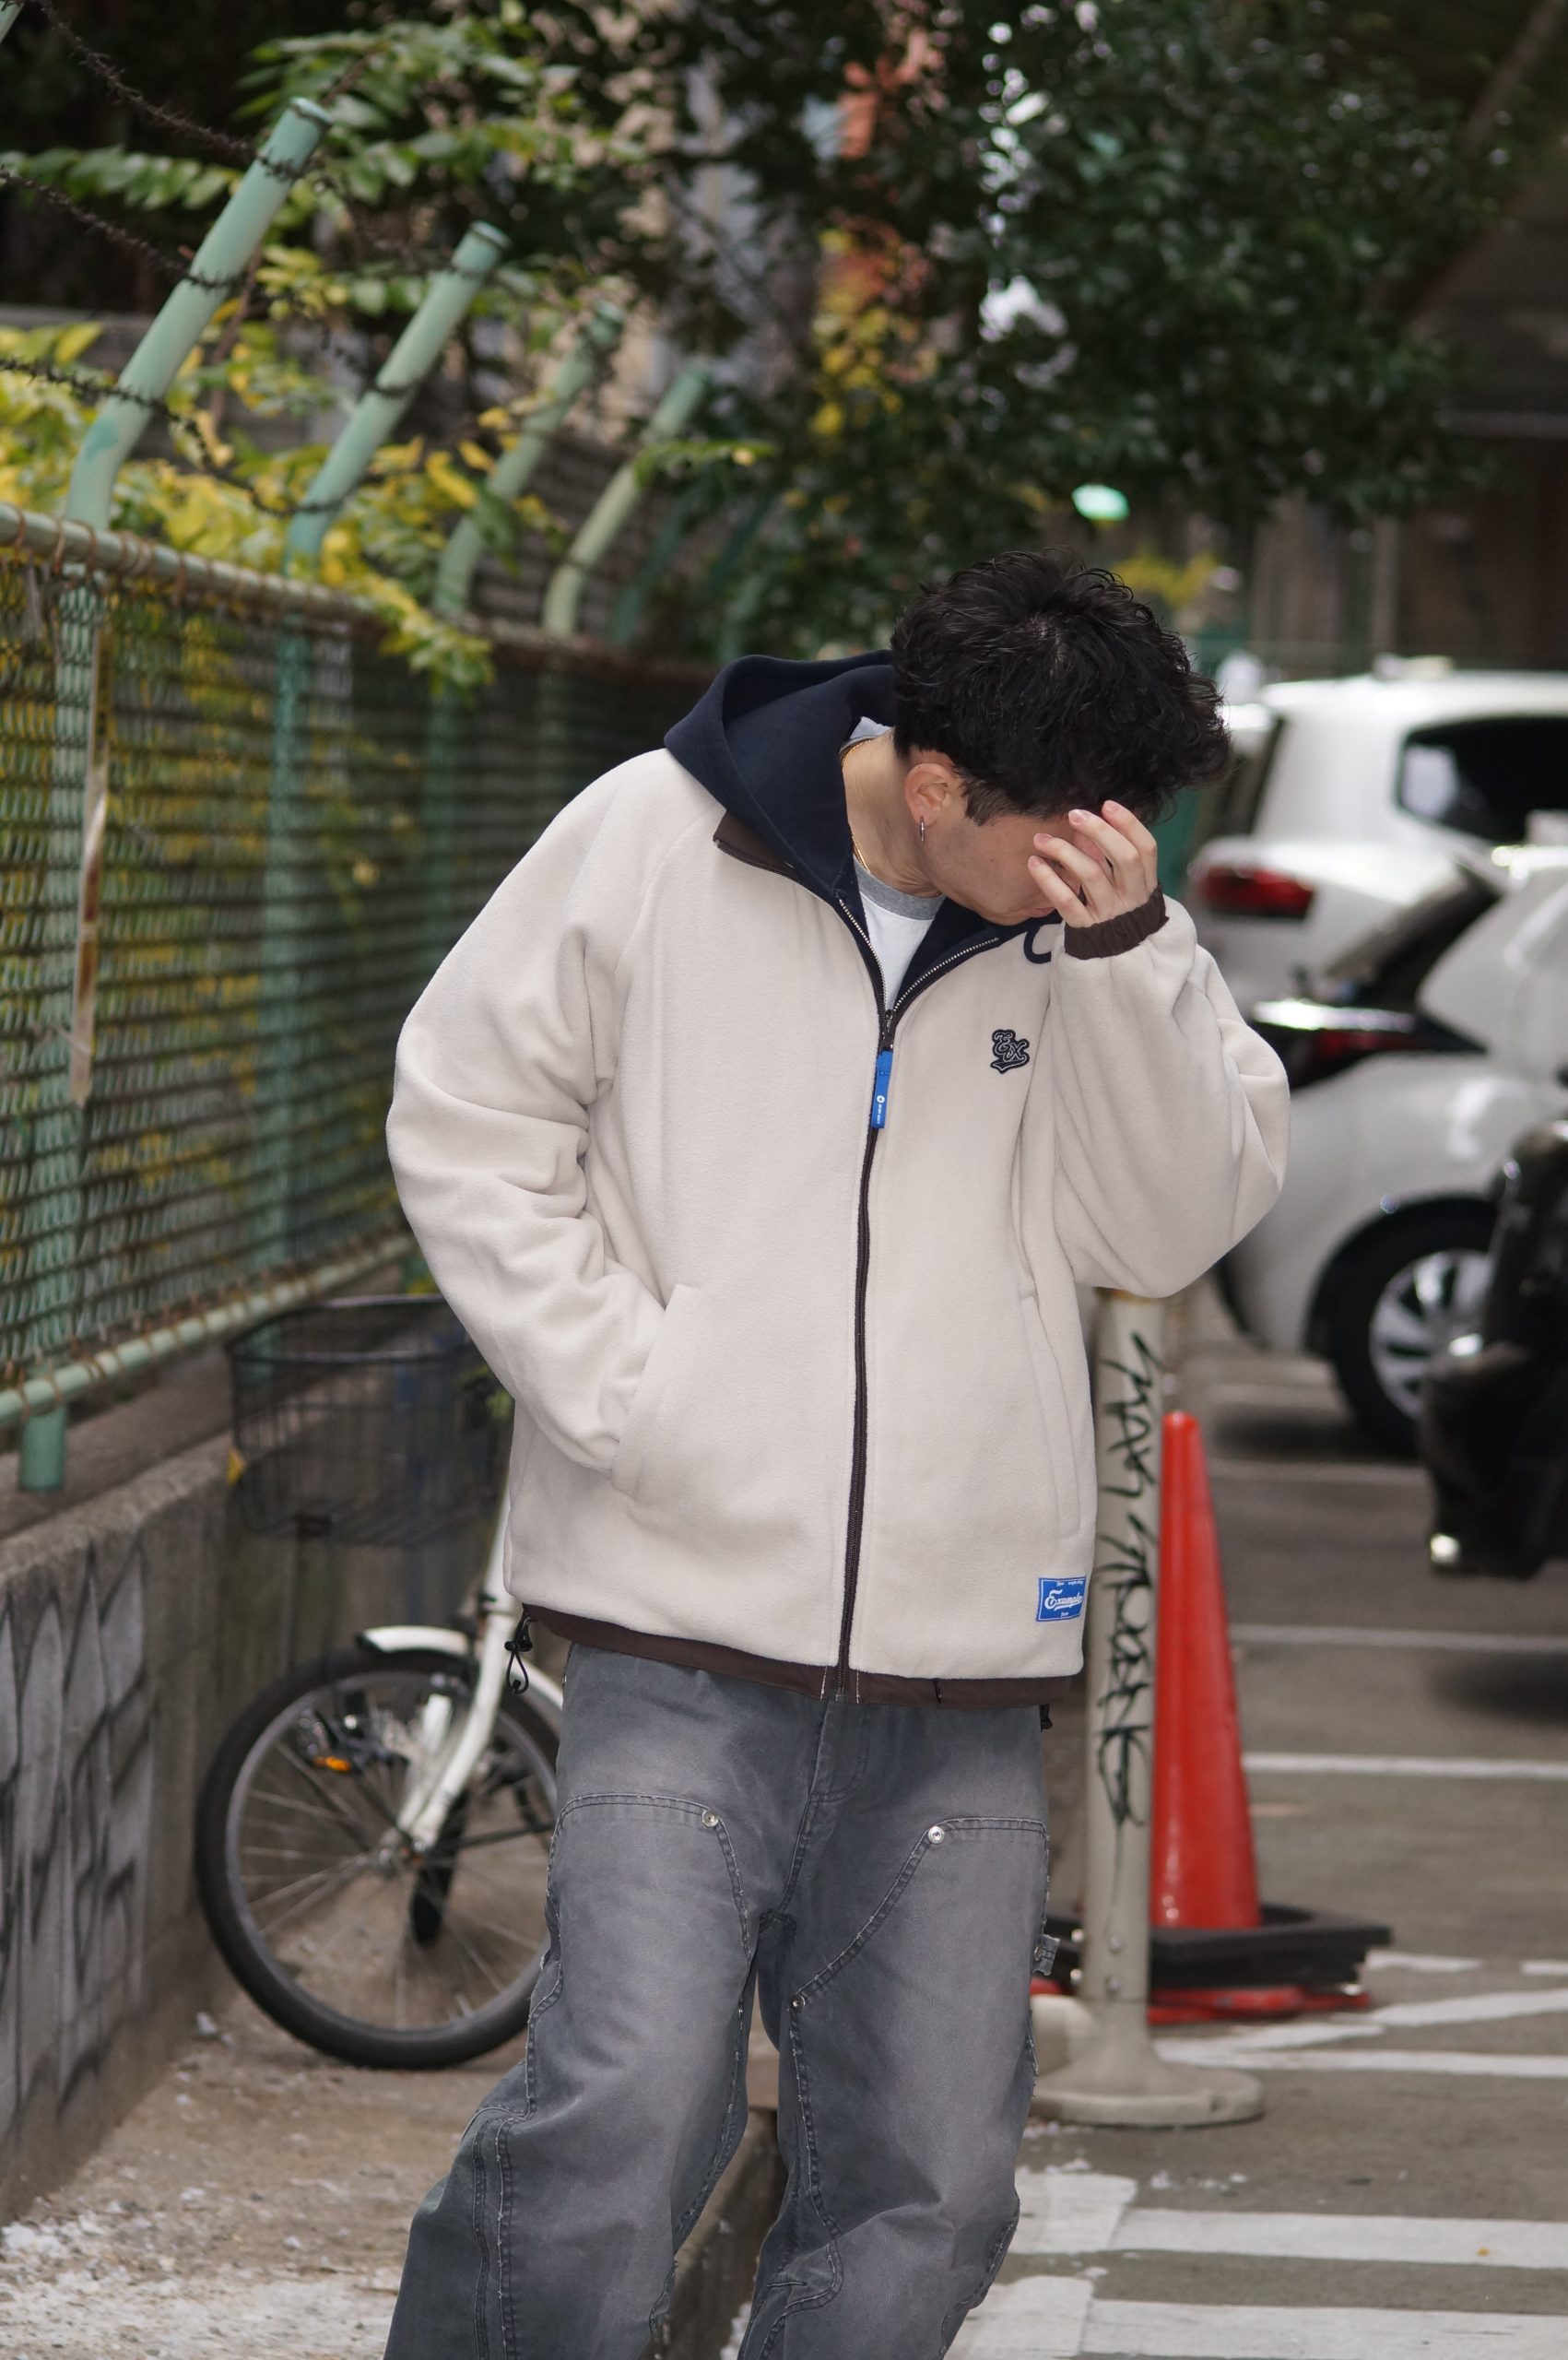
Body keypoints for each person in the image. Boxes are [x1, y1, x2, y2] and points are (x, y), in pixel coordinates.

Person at [381, 549, 1288, 2359]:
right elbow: (468, 1109)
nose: (1103, 854)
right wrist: (631, 1392)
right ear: (934, 783)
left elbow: (1168, 1222)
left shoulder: (1094, 925)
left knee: (931, 2184)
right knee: (620, 2126)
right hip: (675, 1620)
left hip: (962, 1663)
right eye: (1066, 826)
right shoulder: (655, 838)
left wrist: (1125, 961)